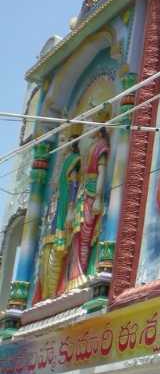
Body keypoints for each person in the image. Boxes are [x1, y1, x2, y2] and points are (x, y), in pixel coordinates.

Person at [34, 135, 81, 301]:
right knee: (48, 246)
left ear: (72, 143)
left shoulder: (74, 160)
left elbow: (74, 184)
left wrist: (71, 209)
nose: (62, 144)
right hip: (56, 206)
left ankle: (53, 292)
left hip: (64, 207)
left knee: (57, 246)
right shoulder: (63, 162)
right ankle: (47, 293)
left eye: (64, 141)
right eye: (61, 141)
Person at [65, 124, 110, 290]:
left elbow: (102, 173)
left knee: (85, 232)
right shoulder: (92, 147)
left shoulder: (101, 146)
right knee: (78, 232)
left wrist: (98, 198)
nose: (88, 129)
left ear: (99, 129)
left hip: (91, 193)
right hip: (83, 193)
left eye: (91, 126)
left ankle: (81, 272)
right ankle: (75, 275)